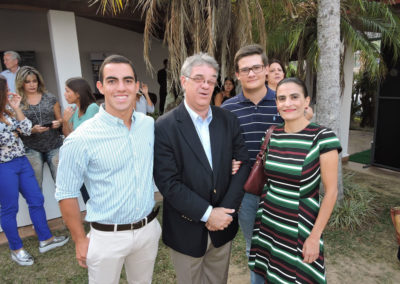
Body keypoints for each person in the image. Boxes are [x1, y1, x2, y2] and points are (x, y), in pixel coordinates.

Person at [55, 54, 161, 284]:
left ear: (136, 86)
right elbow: (65, 194)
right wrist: (80, 240)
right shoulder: (81, 138)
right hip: (106, 237)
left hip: (148, 230)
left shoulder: (148, 125)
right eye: (112, 81)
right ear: (100, 87)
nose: (121, 88)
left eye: (127, 80)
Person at [154, 52, 250, 284]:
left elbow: (244, 164)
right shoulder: (165, 126)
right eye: (199, 78)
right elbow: (168, 182)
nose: (206, 86)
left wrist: (224, 213)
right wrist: (208, 214)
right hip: (186, 230)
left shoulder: (228, 120)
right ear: (184, 81)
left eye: (211, 80)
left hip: (222, 229)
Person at [249, 77, 342, 283]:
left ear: (306, 101)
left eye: (294, 97)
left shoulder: (323, 138)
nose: (287, 103)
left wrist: (315, 236)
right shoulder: (272, 134)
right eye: (281, 98)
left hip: (300, 227)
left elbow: (331, 192)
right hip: (270, 223)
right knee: (271, 276)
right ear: (276, 104)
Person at [221, 44, 283, 284]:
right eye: (245, 69)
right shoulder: (227, 109)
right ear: (237, 74)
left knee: (283, 251)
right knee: (253, 249)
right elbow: (221, 149)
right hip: (246, 192)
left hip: (282, 191)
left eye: (256, 67)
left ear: (266, 69)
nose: (251, 73)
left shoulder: (282, 102)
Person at [0, 75, 68, 266]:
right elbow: (8, 138)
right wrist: (15, 133)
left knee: (36, 199)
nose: (9, 92)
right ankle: (16, 249)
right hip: (4, 166)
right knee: (9, 208)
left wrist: (15, 107)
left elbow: (27, 128)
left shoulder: (7, 112)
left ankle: (45, 239)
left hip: (21, 161)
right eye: (6, 90)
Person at [15, 66, 63, 189]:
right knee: (35, 186)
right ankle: (38, 208)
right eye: (27, 81)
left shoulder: (50, 98)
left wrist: (58, 123)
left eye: (34, 81)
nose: (32, 84)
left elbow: (60, 118)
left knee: (62, 183)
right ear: (21, 83)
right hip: (31, 147)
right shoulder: (17, 102)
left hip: (54, 144)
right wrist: (32, 130)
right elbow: (15, 128)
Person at [62, 77, 99, 203]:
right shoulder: (75, 110)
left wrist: (66, 121)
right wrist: (65, 122)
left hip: (93, 162)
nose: (65, 94)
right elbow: (69, 137)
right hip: (81, 160)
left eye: (67, 91)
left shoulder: (92, 108)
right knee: (87, 198)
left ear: (78, 93)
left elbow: (83, 138)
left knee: (96, 197)